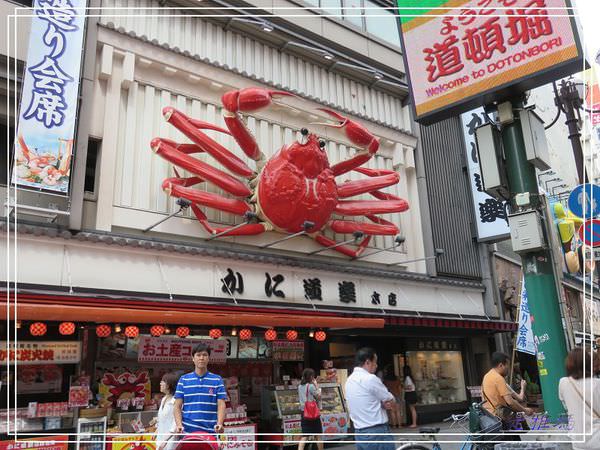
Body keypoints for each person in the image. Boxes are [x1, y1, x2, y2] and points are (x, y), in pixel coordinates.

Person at [345, 347, 396, 450]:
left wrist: (380, 404)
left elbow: (364, 402)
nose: (376, 366)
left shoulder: (349, 380)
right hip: (377, 432)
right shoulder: (370, 378)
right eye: (375, 362)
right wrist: (385, 403)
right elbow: (390, 399)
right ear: (367, 362)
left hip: (360, 433)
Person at [174, 343, 227, 435]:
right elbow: (177, 406)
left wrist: (220, 423)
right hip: (187, 432)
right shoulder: (183, 379)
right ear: (193, 358)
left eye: (205, 355)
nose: (201, 358)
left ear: (209, 358)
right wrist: (179, 425)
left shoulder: (217, 379)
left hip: (211, 432)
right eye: (198, 355)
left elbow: (221, 405)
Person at [482, 352, 533, 435]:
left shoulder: (487, 376)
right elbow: (510, 402)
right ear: (501, 365)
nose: (508, 369)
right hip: (502, 418)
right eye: (507, 366)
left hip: (491, 417)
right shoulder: (498, 379)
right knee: (513, 442)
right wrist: (525, 410)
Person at [558, 348, 600, 450]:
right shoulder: (597, 383)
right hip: (597, 438)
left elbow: (565, 405)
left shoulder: (563, 383)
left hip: (577, 439)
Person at [297, 368, 323, 450]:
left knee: (305, 435)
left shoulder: (300, 386)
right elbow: (318, 396)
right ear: (311, 376)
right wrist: (316, 385)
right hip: (312, 413)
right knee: (318, 435)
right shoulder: (311, 386)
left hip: (304, 412)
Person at [154, 372, 178, 450]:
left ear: (168, 385)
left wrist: (166, 440)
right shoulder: (164, 399)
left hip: (170, 441)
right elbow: (161, 420)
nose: (160, 383)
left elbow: (175, 423)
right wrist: (156, 431)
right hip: (160, 439)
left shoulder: (175, 401)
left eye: (163, 381)